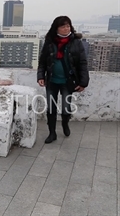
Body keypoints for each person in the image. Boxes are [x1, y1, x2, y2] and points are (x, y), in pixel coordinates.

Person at [37, 16, 89, 144]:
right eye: (63, 26)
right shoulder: (49, 42)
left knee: (66, 108)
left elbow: (82, 63)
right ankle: (52, 133)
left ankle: (65, 124)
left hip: (67, 81)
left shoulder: (76, 42)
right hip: (52, 81)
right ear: (56, 28)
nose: (66, 29)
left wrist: (83, 82)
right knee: (51, 108)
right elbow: (42, 61)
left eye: (68, 26)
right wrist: (40, 76)